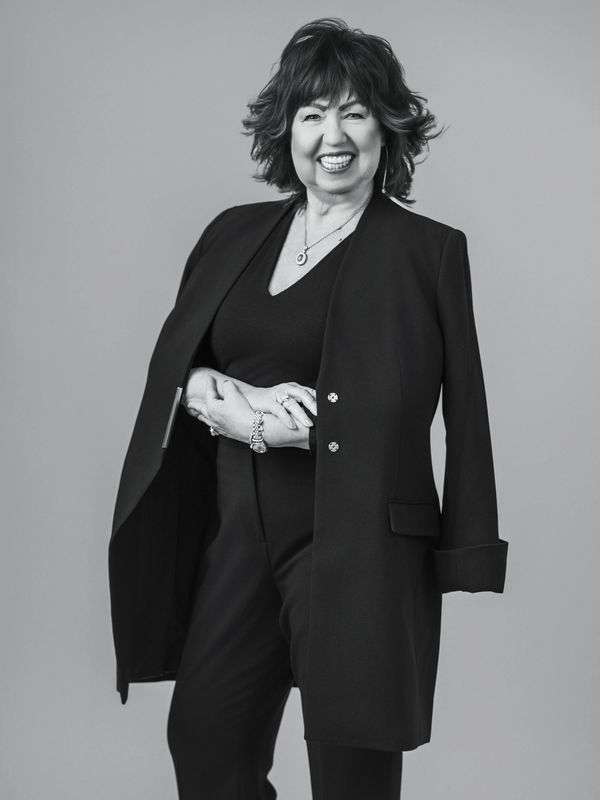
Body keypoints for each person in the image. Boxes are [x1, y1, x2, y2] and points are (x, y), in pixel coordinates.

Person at [108, 16, 509, 800]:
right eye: (313, 113)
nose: (334, 136)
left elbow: (456, 407)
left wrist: (468, 547)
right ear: (286, 128)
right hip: (237, 537)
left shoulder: (427, 252)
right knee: (205, 746)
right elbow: (178, 368)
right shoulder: (232, 234)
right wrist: (241, 409)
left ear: (387, 129)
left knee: (351, 775)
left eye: (355, 113)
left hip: (358, 542)